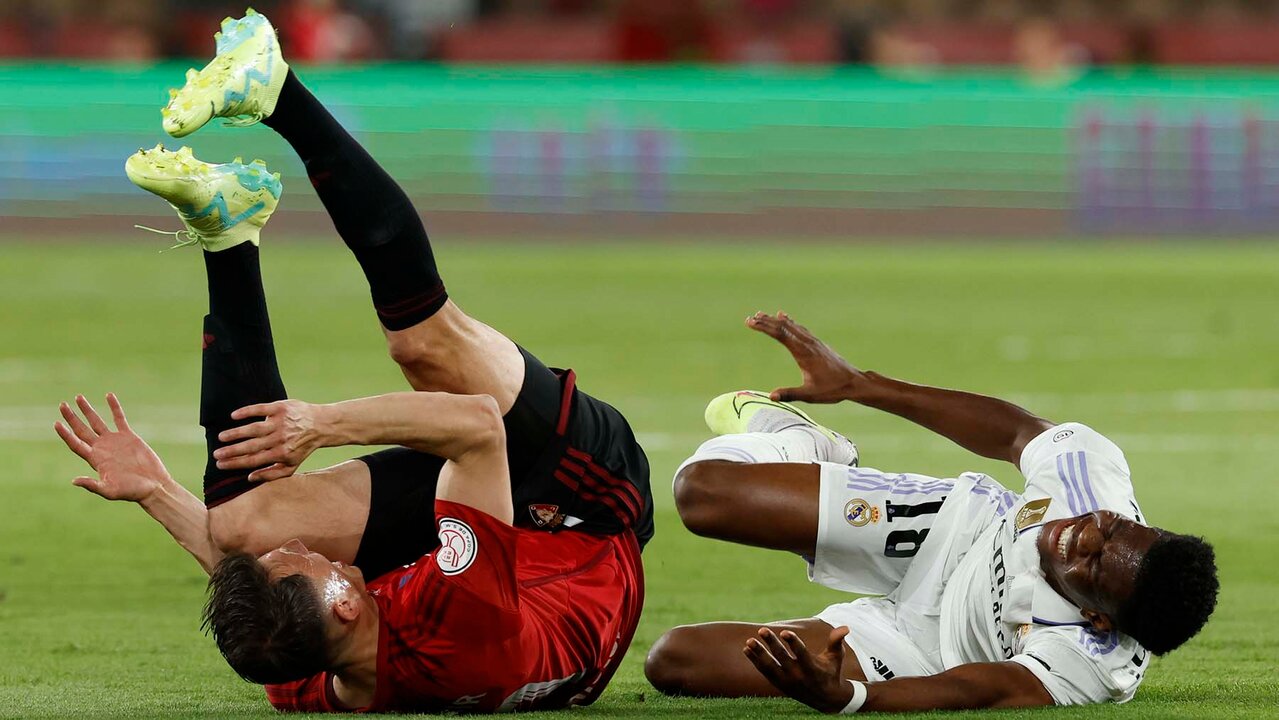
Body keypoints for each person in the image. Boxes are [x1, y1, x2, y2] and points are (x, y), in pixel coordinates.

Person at [54, 10, 650, 713]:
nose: (313, 553)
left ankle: (228, 231)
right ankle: (280, 94)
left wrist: (156, 492)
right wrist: (321, 423)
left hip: (494, 543)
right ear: (342, 603)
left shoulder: (310, 671)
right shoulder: (462, 618)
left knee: (242, 528)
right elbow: (476, 424)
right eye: (309, 566)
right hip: (582, 511)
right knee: (426, 349)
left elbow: (250, 587)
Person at [644, 311, 1218, 714]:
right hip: (949, 535)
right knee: (702, 493)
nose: (1080, 533)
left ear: (1101, 620)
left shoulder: (1092, 664)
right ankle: (800, 439)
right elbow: (1014, 432)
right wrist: (858, 385)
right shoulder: (1093, 481)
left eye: (1091, 566)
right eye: (1109, 526)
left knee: (675, 663)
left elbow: (978, 690)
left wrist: (847, 697)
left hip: (917, 651)